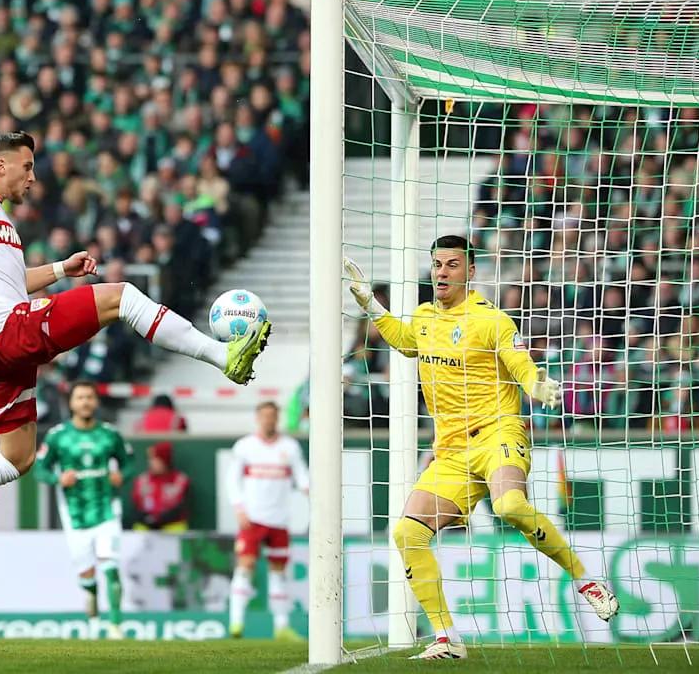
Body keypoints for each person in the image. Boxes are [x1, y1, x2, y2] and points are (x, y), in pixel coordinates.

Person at [0, 131, 272, 573]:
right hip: (2, 331)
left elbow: (13, 282)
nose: (33, 177)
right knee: (121, 296)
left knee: (18, 457)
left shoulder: (0, 223)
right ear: (0, 166)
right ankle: (225, 357)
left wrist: (60, 270)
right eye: (27, 166)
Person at [344, 235, 619, 660]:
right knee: (407, 532)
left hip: (499, 434)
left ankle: (586, 580)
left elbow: (520, 363)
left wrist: (536, 384)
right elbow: (405, 341)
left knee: (509, 505)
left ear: (470, 272)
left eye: (452, 264)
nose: (441, 272)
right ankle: (446, 638)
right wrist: (372, 305)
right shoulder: (422, 317)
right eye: (437, 264)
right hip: (451, 449)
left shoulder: (492, 320)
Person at [33, 382, 135, 639]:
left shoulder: (111, 434)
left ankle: (115, 626)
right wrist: (58, 479)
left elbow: (130, 462)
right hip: (74, 513)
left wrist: (121, 475)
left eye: (90, 397)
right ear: (72, 403)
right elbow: (39, 469)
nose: (85, 402)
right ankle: (92, 615)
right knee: (86, 575)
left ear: (97, 402)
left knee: (110, 564)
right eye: (80, 398)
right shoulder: (58, 436)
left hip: (107, 509)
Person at [226, 401, 308, 641]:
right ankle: (236, 624)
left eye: (272, 416)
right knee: (245, 567)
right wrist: (239, 509)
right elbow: (232, 480)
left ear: (277, 417)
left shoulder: (289, 447)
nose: (268, 420)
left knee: (279, 572)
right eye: (264, 416)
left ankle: (281, 627)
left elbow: (303, 478)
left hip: (279, 519)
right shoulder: (245, 447)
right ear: (257, 418)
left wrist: (314, 497)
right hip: (252, 518)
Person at [130, 441, 191, 531]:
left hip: (171, 524)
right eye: (150, 459)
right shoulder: (142, 480)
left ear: (164, 461)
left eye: (155, 460)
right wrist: (147, 518)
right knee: (138, 529)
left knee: (178, 528)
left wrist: (162, 518)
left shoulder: (180, 480)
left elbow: (182, 507)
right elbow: (135, 506)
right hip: (146, 525)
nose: (151, 463)